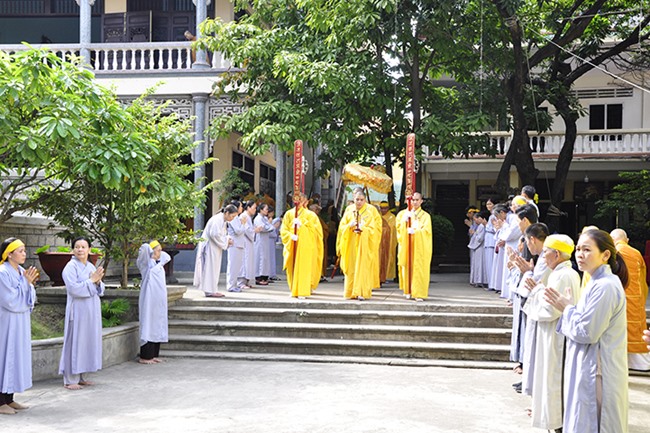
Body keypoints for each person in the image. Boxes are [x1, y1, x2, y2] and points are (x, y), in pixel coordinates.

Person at [544, 230, 629, 433]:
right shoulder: (596, 282)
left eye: (587, 250)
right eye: (578, 249)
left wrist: (567, 309)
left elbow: (588, 332)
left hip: (597, 369)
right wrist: (570, 309)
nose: (580, 255)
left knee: (594, 422)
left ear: (605, 255)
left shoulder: (605, 286)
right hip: (588, 364)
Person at [524, 234, 579, 432]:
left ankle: (556, 423)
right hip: (553, 333)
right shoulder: (562, 273)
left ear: (556, 254)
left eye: (546, 252)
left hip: (555, 336)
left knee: (553, 378)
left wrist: (537, 291)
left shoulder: (563, 275)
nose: (543, 256)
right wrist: (539, 290)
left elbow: (550, 309)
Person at [59, 236, 105, 390]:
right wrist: (91, 281)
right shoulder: (70, 267)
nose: (80, 250)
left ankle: (81, 376)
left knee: (86, 342)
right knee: (75, 342)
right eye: (77, 247)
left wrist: (97, 282)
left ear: (89, 249)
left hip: (91, 311)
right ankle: (70, 379)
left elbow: (100, 288)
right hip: (77, 311)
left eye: (83, 247)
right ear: (73, 250)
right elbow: (74, 289)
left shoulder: (90, 266)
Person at [0, 238, 38, 414]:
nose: (24, 254)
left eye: (24, 250)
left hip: (20, 321)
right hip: (7, 322)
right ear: (9, 254)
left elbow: (30, 295)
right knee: (5, 356)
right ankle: (0, 402)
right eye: (20, 251)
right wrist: (26, 283)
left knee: (15, 356)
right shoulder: (2, 272)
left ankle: (9, 399)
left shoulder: (22, 271)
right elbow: (9, 300)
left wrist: (28, 285)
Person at [610, 228, 650, 371]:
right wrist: (642, 297)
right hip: (635, 299)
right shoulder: (636, 253)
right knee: (637, 329)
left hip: (617, 297)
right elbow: (642, 279)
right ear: (626, 240)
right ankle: (640, 364)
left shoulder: (612, 254)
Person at [337, 190, 382, 300]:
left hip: (364, 245)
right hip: (351, 243)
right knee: (351, 267)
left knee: (363, 267)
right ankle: (350, 292)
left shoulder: (369, 212)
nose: (359, 202)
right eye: (357, 199)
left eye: (361, 200)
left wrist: (364, 229)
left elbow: (373, 230)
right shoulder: (349, 211)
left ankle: (362, 292)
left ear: (365, 200)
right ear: (353, 199)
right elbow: (341, 228)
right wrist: (349, 226)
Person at [280, 193, 323, 298]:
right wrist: (290, 236)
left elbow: (316, 233)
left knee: (305, 268)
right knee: (293, 267)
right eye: (297, 201)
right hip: (292, 245)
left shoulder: (311, 215)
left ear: (306, 202)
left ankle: (303, 289)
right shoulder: (289, 214)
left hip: (306, 247)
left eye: (301, 201)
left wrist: (302, 227)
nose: (299, 203)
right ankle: (294, 288)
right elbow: (283, 230)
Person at [137, 240, 171, 365]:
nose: (159, 253)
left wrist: (157, 250)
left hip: (158, 300)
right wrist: (151, 249)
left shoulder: (159, 264)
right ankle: (145, 356)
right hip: (149, 299)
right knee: (148, 324)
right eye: (157, 250)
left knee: (157, 324)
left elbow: (166, 257)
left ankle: (154, 354)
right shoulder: (146, 265)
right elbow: (144, 249)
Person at [194, 204, 238, 298]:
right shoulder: (217, 219)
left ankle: (212, 289)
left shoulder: (223, 221)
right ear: (227, 213)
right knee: (210, 268)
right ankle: (209, 290)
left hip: (215, 247)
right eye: (232, 216)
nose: (232, 218)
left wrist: (227, 239)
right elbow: (214, 234)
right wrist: (226, 241)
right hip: (210, 247)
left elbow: (220, 235)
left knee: (214, 268)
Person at [395, 192, 433, 301]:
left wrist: (416, 232)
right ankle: (408, 290)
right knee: (407, 267)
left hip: (419, 247)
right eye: (413, 200)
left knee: (419, 269)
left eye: (417, 200)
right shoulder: (403, 214)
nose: (414, 202)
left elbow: (427, 232)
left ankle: (419, 293)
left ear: (421, 201)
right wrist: (404, 223)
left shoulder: (425, 216)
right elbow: (398, 230)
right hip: (407, 246)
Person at [241, 200, 261, 288]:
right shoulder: (244, 216)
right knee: (245, 261)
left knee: (249, 261)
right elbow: (246, 229)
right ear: (248, 207)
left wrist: (254, 230)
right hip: (245, 242)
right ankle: (241, 282)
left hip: (249, 242)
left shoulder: (248, 217)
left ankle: (247, 281)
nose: (255, 210)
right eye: (254, 208)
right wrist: (254, 231)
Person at [254, 203, 276, 286]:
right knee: (261, 258)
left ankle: (265, 276)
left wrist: (270, 226)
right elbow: (263, 228)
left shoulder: (265, 218)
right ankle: (259, 277)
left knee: (265, 258)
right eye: (266, 209)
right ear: (261, 210)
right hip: (260, 240)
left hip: (265, 240)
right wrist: (271, 226)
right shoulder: (258, 218)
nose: (267, 211)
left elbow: (269, 226)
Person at [468, 211, 487, 287]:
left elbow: (480, 238)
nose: (475, 221)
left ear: (479, 218)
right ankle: (477, 280)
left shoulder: (482, 226)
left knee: (479, 264)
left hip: (480, 247)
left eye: (475, 219)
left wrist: (474, 233)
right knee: (477, 264)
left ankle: (479, 280)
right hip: (477, 247)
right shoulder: (479, 226)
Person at [379, 201, 397, 283]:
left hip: (388, 241)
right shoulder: (377, 216)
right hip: (379, 242)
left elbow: (392, 229)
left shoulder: (392, 217)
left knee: (389, 257)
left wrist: (384, 229)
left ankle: (387, 276)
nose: (383, 210)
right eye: (381, 208)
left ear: (388, 208)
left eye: (385, 208)